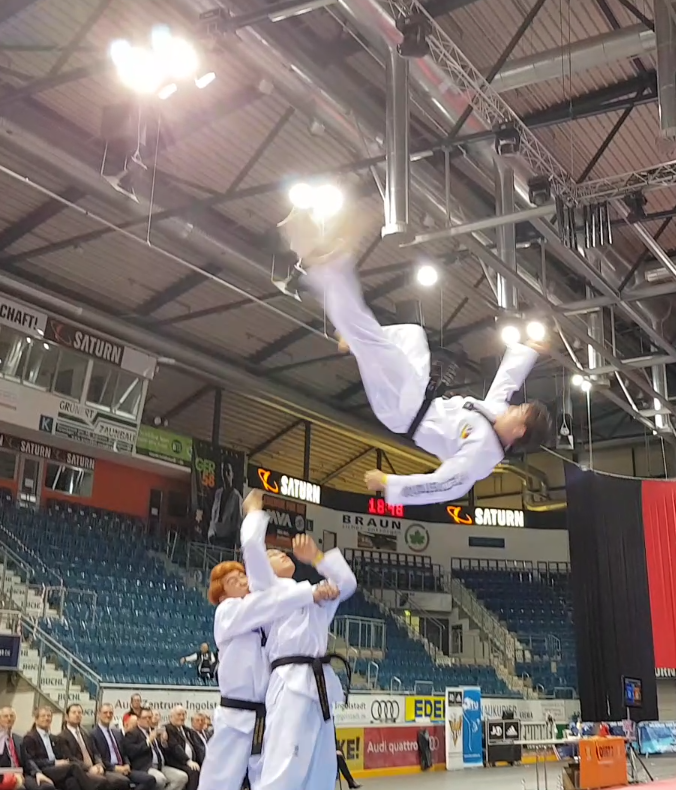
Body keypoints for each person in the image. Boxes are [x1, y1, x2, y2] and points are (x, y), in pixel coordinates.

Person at [281, 209, 551, 506]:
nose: (512, 407)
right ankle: (352, 332)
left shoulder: (483, 455)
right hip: (419, 393)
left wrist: (391, 484)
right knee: (412, 334)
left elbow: (445, 485)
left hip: (402, 410)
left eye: (519, 410)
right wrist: (528, 350)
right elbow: (505, 383)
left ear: (519, 430)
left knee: (375, 344)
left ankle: (323, 267)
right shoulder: (496, 413)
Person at [197, 492, 340, 790]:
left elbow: (271, 605)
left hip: (264, 712)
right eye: (232, 581)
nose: (241, 581)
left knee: (267, 777)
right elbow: (267, 599)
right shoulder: (228, 612)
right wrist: (309, 592)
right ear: (220, 595)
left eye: (242, 576)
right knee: (218, 782)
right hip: (235, 714)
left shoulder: (263, 616)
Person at [241, 491, 357, 790]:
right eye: (273, 555)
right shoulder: (266, 592)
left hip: (319, 685)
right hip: (289, 681)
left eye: (282, 552)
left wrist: (317, 557)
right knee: (283, 766)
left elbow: (347, 584)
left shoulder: (311, 592)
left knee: (322, 767)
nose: (282, 554)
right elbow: (252, 548)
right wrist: (253, 512)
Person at [56, 705, 127, 790]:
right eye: (74, 712)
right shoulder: (61, 737)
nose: (77, 715)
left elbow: (96, 752)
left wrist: (99, 765)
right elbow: (70, 758)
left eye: (79, 712)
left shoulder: (86, 733)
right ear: (67, 717)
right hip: (80, 771)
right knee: (102, 782)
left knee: (122, 781)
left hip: (95, 768)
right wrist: (89, 768)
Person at [21, 708, 92, 790]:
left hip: (56, 769)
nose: (46, 718)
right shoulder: (30, 738)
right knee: (74, 766)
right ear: (36, 720)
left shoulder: (53, 738)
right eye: (43, 716)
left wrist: (63, 761)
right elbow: (31, 761)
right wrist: (54, 762)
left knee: (72, 782)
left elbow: (60, 755)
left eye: (49, 716)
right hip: (43, 769)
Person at [92, 704, 156, 790]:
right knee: (123, 781)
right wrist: (115, 768)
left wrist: (127, 764)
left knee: (150, 779)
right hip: (109, 769)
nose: (108, 715)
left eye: (110, 713)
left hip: (124, 768)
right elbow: (97, 757)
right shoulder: (93, 734)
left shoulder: (117, 733)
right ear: (98, 714)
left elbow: (124, 753)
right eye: (105, 713)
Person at [123, 709, 186, 790]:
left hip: (161, 766)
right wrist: (148, 741)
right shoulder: (132, 733)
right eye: (145, 718)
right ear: (138, 719)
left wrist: (164, 742)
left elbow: (164, 750)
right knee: (160, 779)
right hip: (145, 767)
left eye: (150, 717)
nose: (148, 720)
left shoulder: (154, 731)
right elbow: (131, 752)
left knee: (182, 777)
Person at [208, 462, 243, 547]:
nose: (225, 474)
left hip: (228, 541)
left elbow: (238, 522)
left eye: (228, 471)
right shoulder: (218, 493)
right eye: (223, 471)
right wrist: (210, 533)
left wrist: (236, 544)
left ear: (232, 474)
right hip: (215, 539)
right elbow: (213, 517)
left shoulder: (236, 497)